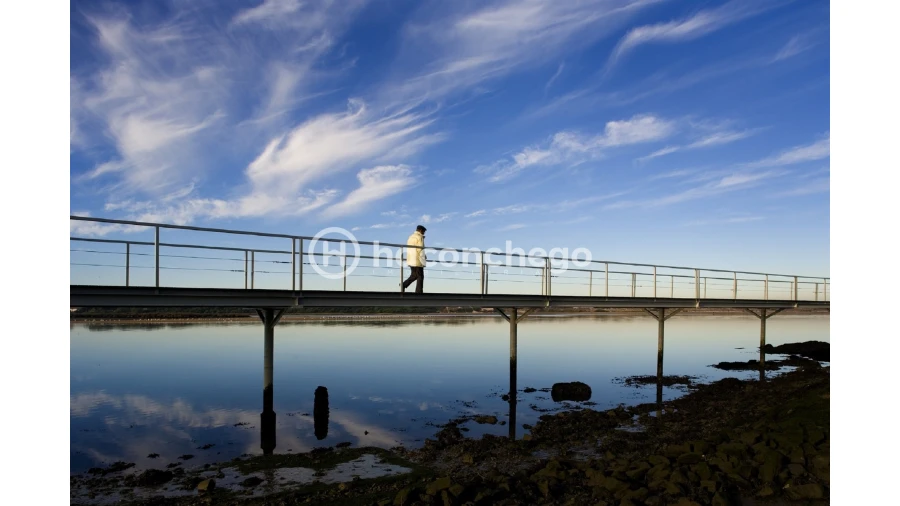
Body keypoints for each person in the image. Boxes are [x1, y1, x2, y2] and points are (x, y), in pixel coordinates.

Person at [401, 225, 427, 293]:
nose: (424, 233)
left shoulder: (410, 237)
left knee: (414, 275)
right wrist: (424, 257)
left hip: (410, 259)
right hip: (417, 260)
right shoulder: (419, 237)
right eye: (424, 232)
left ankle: (403, 285)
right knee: (420, 276)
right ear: (421, 230)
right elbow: (420, 249)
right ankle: (419, 292)